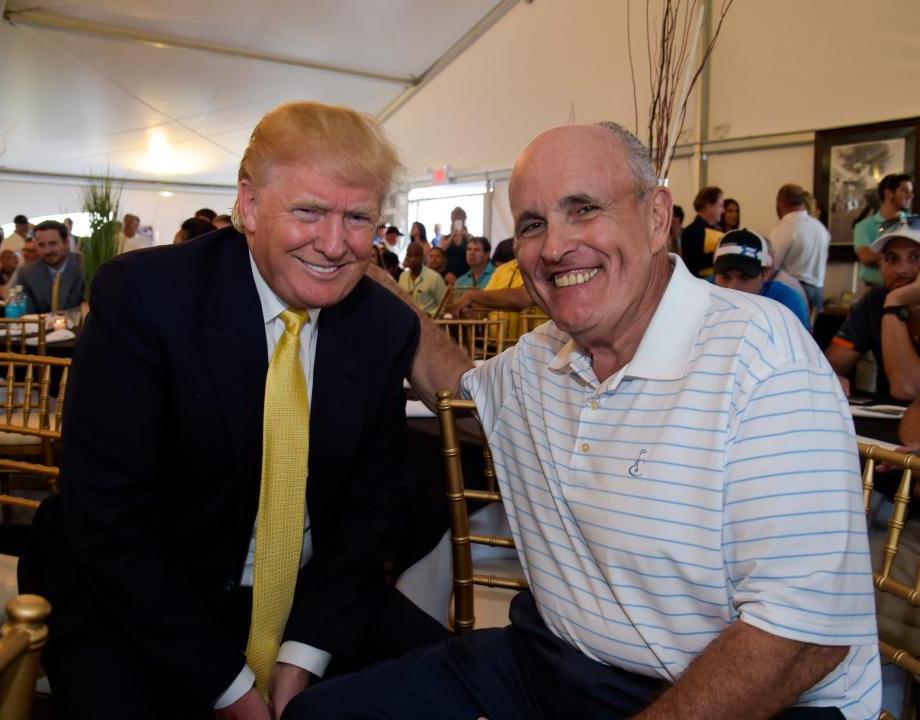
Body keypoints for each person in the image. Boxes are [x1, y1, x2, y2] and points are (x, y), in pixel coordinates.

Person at [287, 122, 880, 720]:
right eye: (533, 224)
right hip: (552, 664)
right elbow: (459, 389)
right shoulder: (546, 355)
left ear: (656, 218)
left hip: (749, 699)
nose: (555, 247)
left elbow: (803, 636)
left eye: (584, 209)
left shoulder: (761, 355)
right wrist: (362, 267)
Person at [17, 101, 446, 720]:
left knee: (451, 685)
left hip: (306, 596)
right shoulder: (145, 297)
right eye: (309, 212)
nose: (334, 244)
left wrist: (304, 654)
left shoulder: (382, 327)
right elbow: (107, 518)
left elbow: (371, 510)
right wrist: (231, 690)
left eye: (358, 218)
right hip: (136, 593)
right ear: (248, 206)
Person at [827, 217, 920, 400]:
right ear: (881, 265)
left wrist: (895, 302)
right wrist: (828, 377)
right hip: (890, 421)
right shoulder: (875, 301)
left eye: (916, 257)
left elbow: (909, 389)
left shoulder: (891, 298)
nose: (902, 270)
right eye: (892, 259)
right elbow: (832, 365)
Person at [711, 229, 810, 330]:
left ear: (766, 273)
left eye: (744, 277)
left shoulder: (785, 302)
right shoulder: (703, 291)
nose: (732, 288)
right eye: (725, 277)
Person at [768, 184, 831, 314]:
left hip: (792, 291)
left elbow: (770, 267)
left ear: (779, 203)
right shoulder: (820, 228)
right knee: (809, 333)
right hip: (817, 291)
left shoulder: (784, 229)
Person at [854, 174, 914, 288]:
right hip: (874, 290)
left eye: (911, 191)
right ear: (888, 193)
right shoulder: (865, 226)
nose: (911, 195)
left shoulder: (914, 224)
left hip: (908, 290)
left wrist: (886, 257)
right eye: (905, 190)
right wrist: (905, 257)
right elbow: (866, 257)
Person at [17, 220, 84, 313]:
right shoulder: (27, 274)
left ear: (67, 243)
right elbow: (29, 316)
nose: (47, 251)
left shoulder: (85, 267)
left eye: (53, 244)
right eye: (41, 245)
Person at [680, 185, 724, 278]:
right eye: (720, 206)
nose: (723, 210)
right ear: (708, 206)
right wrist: (719, 254)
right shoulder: (690, 231)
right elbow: (691, 264)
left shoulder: (719, 229)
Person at [398, 241, 446, 316]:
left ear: (423, 257)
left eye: (416, 256)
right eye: (409, 255)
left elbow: (444, 306)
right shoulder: (403, 276)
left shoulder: (434, 277)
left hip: (430, 323)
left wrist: (429, 314)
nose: (412, 259)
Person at [439, 207, 471, 279]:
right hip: (448, 273)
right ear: (451, 219)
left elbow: (475, 248)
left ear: (464, 219)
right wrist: (452, 235)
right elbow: (441, 251)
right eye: (455, 217)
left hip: (466, 271)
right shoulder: (445, 237)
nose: (457, 218)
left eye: (459, 217)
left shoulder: (469, 237)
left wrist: (466, 236)